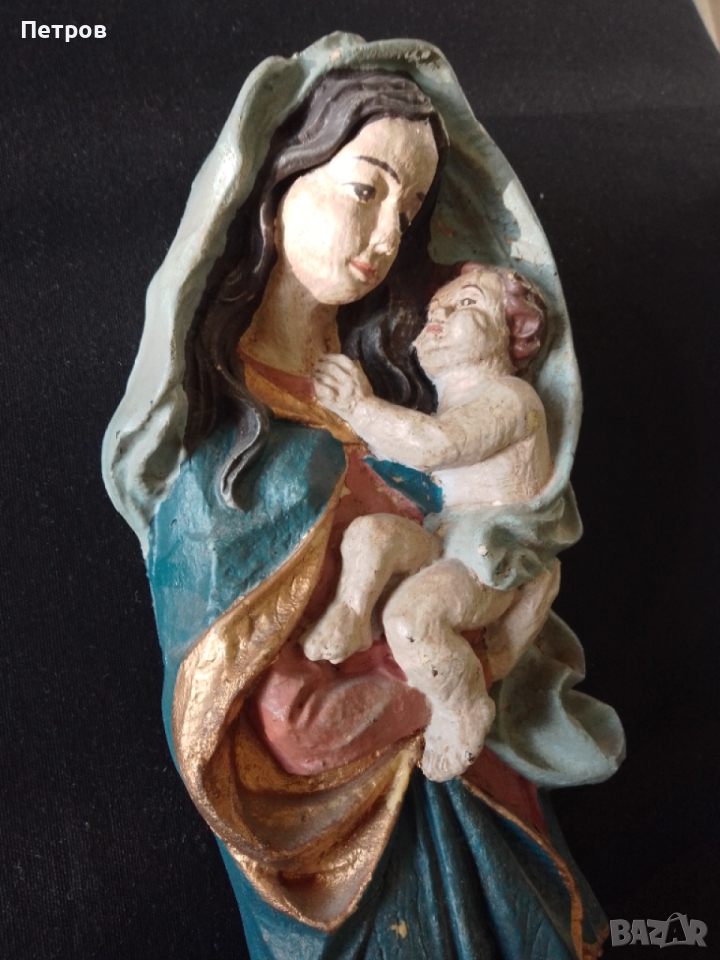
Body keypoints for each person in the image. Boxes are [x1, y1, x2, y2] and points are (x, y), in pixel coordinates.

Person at [103, 34, 624, 960]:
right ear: (276, 185)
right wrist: (478, 661)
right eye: (365, 188)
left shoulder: (406, 397)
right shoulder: (232, 465)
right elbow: (291, 735)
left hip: (485, 827)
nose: (388, 236)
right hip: (380, 887)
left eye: (410, 208)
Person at [303, 265, 561, 782]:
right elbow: (417, 450)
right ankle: (352, 616)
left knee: (410, 620)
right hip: (449, 539)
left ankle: (464, 708)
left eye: (466, 304)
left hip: (490, 562)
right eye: (435, 309)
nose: (438, 316)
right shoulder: (454, 404)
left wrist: (359, 406)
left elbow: (436, 445)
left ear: (515, 332)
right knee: (370, 535)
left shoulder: (512, 399)